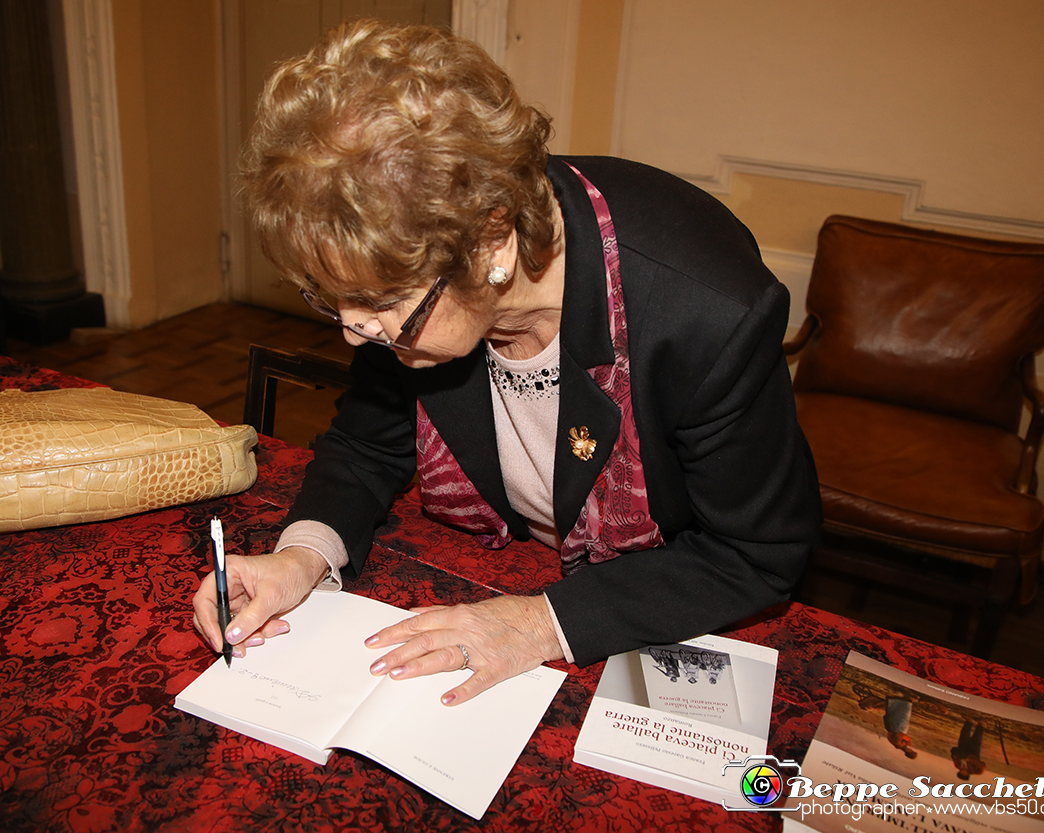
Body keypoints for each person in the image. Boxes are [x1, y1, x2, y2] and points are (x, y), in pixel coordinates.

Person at [192, 19, 821, 707]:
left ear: (494, 238)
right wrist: (302, 556)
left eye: (375, 301)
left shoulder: (707, 311)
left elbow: (756, 554)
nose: (351, 332)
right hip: (505, 574)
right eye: (333, 298)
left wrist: (537, 620)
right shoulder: (415, 271)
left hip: (642, 614)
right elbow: (367, 444)